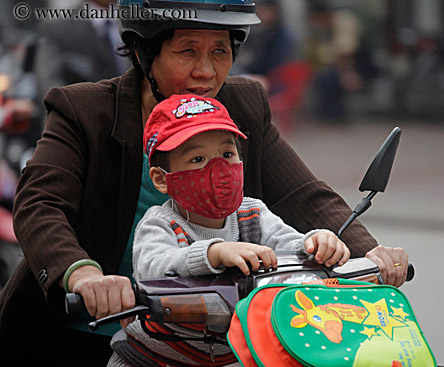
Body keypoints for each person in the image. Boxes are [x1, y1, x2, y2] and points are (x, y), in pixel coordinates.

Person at [0, 1, 408, 366]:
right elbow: (40, 205)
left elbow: (301, 193)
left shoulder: (243, 104)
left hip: (213, 338)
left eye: (220, 51)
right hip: (89, 335)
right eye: (187, 51)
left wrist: (369, 251)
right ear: (145, 53)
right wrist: (83, 276)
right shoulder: (84, 110)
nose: (207, 71)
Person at [107, 93, 350, 366]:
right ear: (162, 179)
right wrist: (213, 253)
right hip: (152, 356)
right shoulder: (159, 223)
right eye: (198, 159)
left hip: (233, 354)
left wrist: (317, 242)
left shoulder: (252, 213)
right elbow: (153, 267)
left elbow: (290, 245)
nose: (219, 169)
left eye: (226, 154)